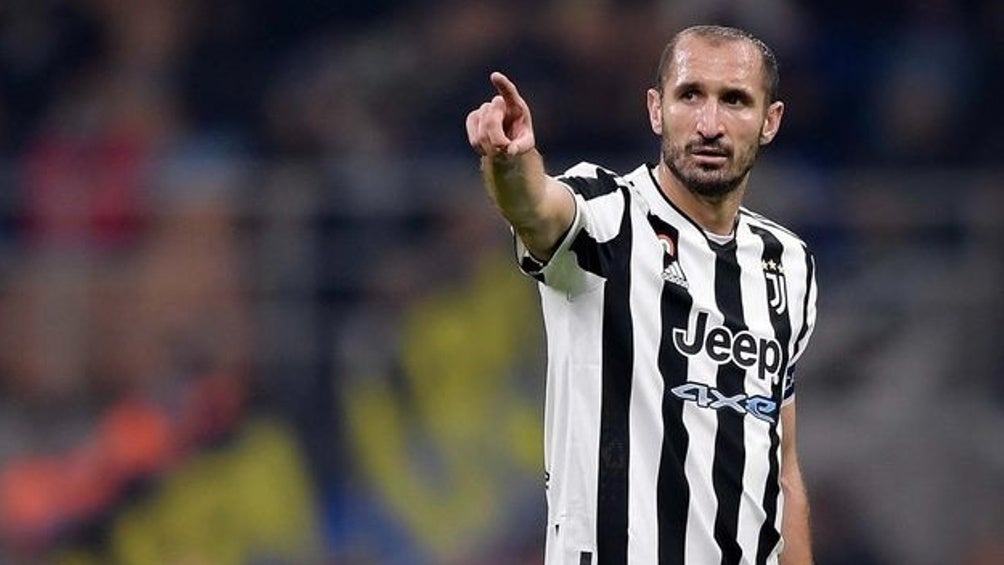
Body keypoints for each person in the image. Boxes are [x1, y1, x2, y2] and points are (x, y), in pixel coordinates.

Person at [465, 25, 817, 565]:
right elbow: (535, 207)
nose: (709, 124)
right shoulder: (607, 217)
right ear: (656, 109)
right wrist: (509, 162)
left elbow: (782, 467)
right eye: (690, 95)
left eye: (735, 100)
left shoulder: (787, 263)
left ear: (770, 121)